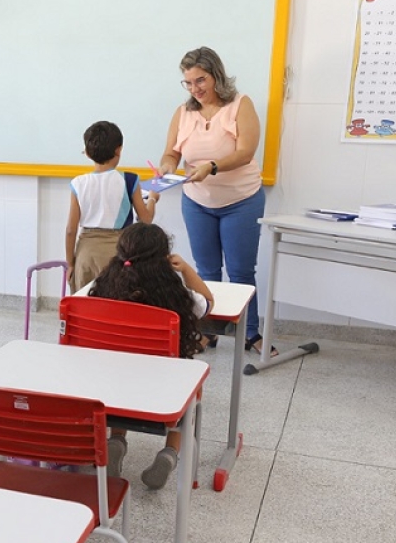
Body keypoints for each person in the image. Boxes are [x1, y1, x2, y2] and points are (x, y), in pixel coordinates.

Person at [156, 46, 274, 355]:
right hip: (197, 201)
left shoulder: (240, 105)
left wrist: (213, 166)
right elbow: (171, 152)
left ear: (216, 76)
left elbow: (245, 152)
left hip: (241, 200)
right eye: (189, 83)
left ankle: (249, 332)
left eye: (201, 80)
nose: (195, 89)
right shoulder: (183, 113)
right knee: (205, 270)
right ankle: (209, 330)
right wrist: (168, 165)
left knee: (241, 272)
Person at [89, 222, 214, 490]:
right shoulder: (177, 298)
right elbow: (208, 302)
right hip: (163, 388)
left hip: (110, 384)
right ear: (163, 257)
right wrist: (186, 269)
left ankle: (116, 441)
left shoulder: (102, 291)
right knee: (191, 385)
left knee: (124, 366)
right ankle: (169, 454)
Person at [65, 120, 157, 293]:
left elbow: (71, 229)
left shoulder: (78, 183)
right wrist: (151, 199)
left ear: (87, 153)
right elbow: (146, 219)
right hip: (118, 252)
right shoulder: (129, 180)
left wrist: (70, 263)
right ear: (119, 149)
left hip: (86, 253)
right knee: (115, 303)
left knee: (86, 305)